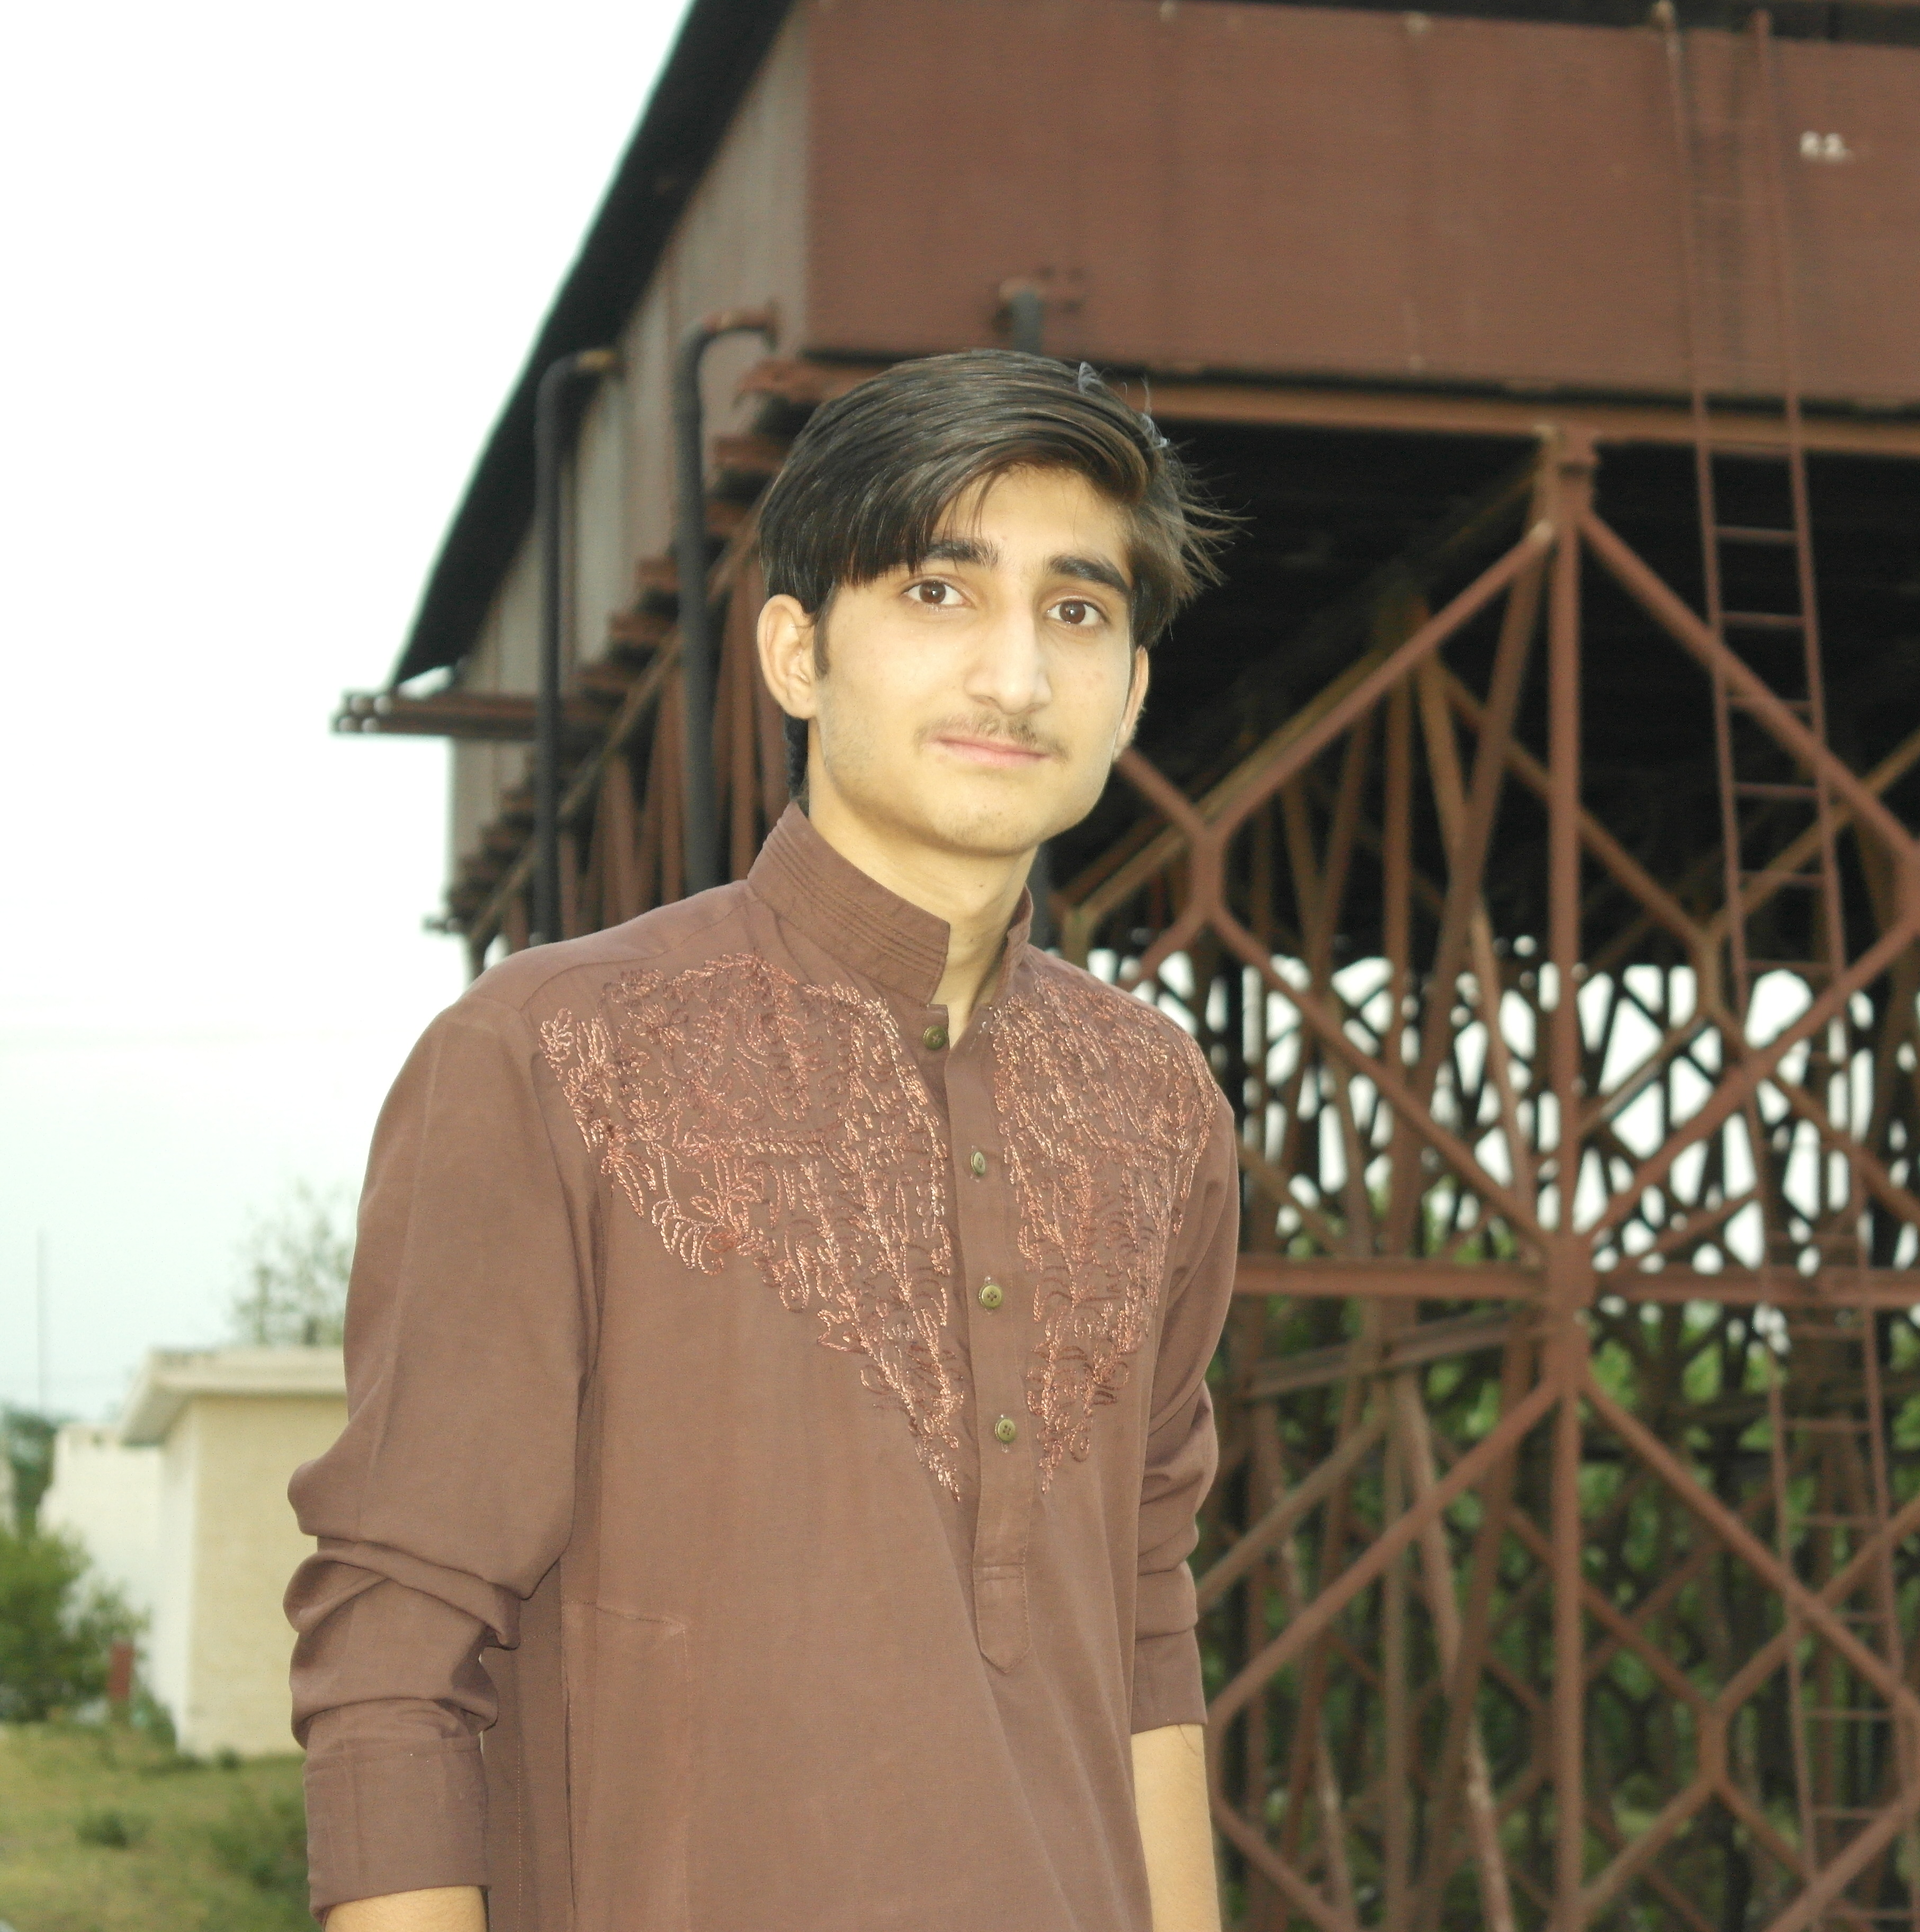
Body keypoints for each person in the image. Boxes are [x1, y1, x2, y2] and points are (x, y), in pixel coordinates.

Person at [288, 351, 1237, 1931]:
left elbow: (1147, 1616)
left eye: (1076, 612)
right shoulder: (549, 1053)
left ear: (1131, 691)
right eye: (938, 593)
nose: (1016, 675)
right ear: (797, 652)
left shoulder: (1155, 1103)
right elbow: (395, 1649)